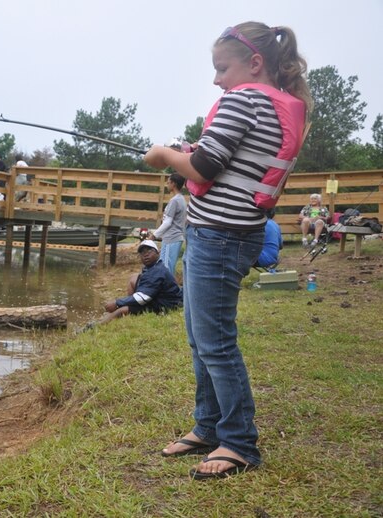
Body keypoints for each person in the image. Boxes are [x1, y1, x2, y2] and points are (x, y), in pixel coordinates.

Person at [143, 22, 311, 479]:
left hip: (220, 234)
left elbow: (202, 166)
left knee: (215, 343)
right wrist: (188, 151)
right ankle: (209, 426)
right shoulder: (273, 106)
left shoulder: (246, 98)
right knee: (201, 339)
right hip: (225, 232)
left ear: (254, 63)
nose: (217, 80)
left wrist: (163, 156)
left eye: (222, 68)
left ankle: (239, 442)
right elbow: (223, 159)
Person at [94, 240, 183, 326]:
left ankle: (97, 325)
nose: (146, 254)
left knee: (121, 310)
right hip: (156, 296)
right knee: (133, 278)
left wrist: (118, 303)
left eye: (150, 250)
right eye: (142, 252)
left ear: (157, 253)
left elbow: (144, 298)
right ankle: (131, 306)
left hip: (166, 305)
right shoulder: (153, 267)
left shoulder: (157, 271)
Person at [151, 173, 187, 275]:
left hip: (171, 238)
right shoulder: (182, 199)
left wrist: (154, 235)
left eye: (168, 182)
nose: (167, 184)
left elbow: (167, 222)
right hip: (176, 238)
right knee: (168, 269)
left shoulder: (174, 201)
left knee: (165, 271)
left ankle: (168, 291)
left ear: (174, 184)